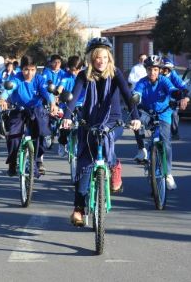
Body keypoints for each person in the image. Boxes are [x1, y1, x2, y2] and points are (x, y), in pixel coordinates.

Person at [62, 37, 141, 226]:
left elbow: (128, 97)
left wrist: (135, 117)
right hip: (89, 122)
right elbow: (73, 98)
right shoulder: (83, 75)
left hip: (113, 121)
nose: (102, 60)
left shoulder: (116, 74)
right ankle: (79, 209)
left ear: (109, 58)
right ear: (91, 58)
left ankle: (114, 166)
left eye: (105, 57)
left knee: (105, 139)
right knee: (84, 164)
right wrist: (67, 116)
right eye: (98, 57)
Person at [132, 55, 188, 190]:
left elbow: (172, 89)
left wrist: (180, 96)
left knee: (166, 142)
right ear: (146, 70)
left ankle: (168, 173)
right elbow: (136, 92)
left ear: (160, 70)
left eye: (155, 70)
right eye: (150, 69)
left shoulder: (164, 81)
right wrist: (135, 97)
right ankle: (142, 150)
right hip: (147, 113)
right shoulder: (142, 82)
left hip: (164, 113)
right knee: (136, 123)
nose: (152, 72)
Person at [0, 55, 58, 176]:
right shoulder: (16, 79)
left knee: (42, 132)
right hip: (19, 109)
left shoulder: (39, 79)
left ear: (36, 69)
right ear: (21, 69)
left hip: (36, 109)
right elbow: (9, 88)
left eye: (32, 70)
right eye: (26, 69)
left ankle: (37, 160)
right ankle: (12, 161)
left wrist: (52, 103)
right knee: (14, 136)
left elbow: (46, 92)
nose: (29, 73)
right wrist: (2, 99)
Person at [56, 55, 85, 157]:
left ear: (81, 68)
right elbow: (60, 87)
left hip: (82, 104)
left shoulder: (85, 76)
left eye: (76, 70)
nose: (73, 73)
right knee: (65, 125)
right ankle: (62, 143)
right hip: (66, 104)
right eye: (71, 70)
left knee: (84, 125)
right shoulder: (66, 77)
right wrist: (57, 94)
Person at [161, 57, 187, 140]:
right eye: (162, 69)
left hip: (172, 99)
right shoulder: (156, 75)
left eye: (166, 69)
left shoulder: (173, 75)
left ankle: (175, 132)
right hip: (159, 100)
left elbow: (184, 87)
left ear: (170, 69)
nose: (163, 71)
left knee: (174, 114)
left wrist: (184, 97)